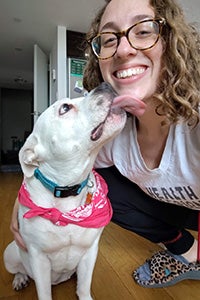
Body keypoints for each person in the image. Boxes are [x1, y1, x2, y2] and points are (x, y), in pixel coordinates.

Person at [10, 0, 200, 288]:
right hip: (171, 207)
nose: (123, 49)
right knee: (99, 185)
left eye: (144, 30)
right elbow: (56, 168)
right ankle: (188, 251)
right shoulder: (109, 134)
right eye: (109, 39)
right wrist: (22, 208)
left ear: (173, 42)